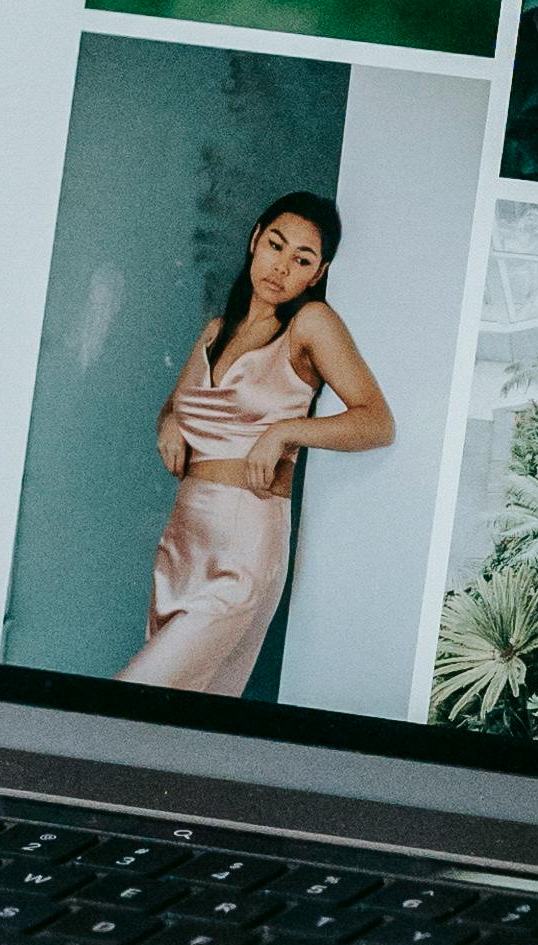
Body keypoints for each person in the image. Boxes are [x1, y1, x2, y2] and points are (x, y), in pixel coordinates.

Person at [124, 191, 390, 694]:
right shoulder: (217, 331)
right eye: (275, 245)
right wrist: (168, 422)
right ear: (254, 241)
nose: (281, 267)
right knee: (183, 720)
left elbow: (377, 422)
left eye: (302, 259)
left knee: (136, 697)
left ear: (318, 273)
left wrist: (285, 431)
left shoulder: (310, 324)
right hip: (183, 538)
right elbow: (178, 405)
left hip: (245, 541)